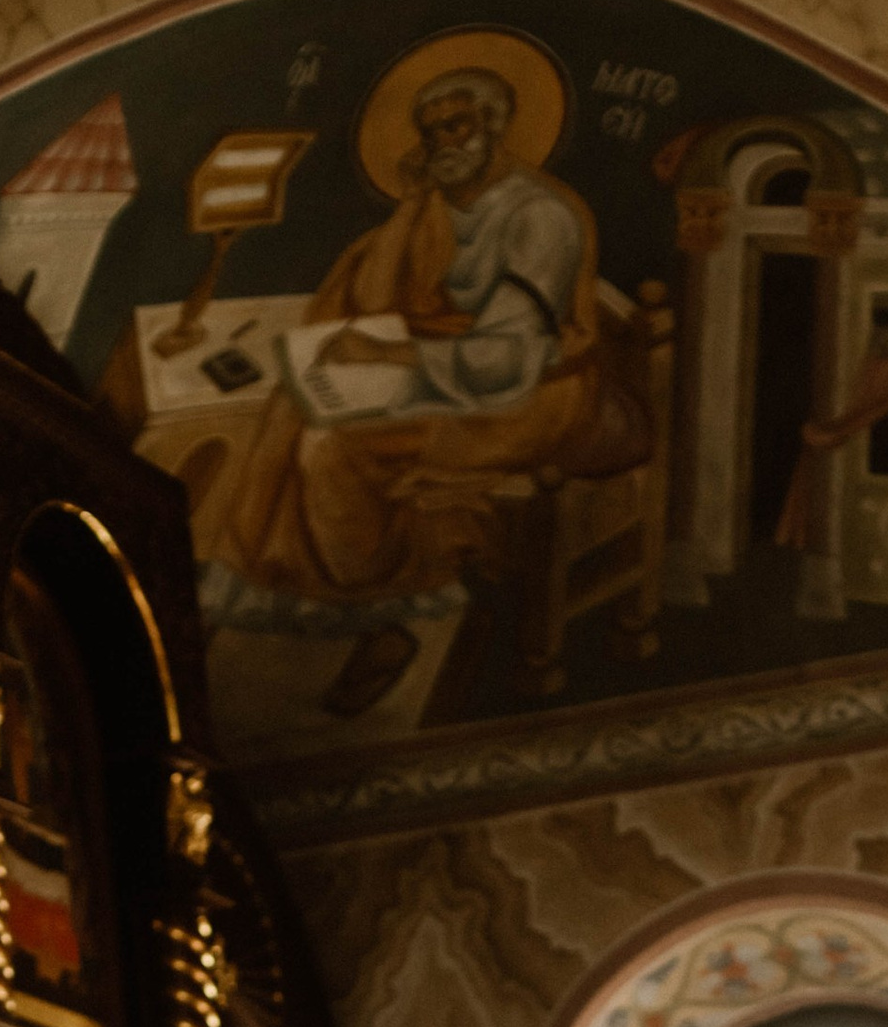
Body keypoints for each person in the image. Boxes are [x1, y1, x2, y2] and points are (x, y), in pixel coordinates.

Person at [194, 58, 647, 721]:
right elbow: (374, 298)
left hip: (531, 394)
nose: (443, 143)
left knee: (336, 447)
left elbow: (508, 358)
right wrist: (408, 207)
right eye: (431, 131)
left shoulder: (538, 217)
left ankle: (385, 621)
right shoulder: (433, 204)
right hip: (443, 366)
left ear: (493, 126)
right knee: (291, 405)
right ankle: (249, 588)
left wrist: (391, 354)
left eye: (457, 125)